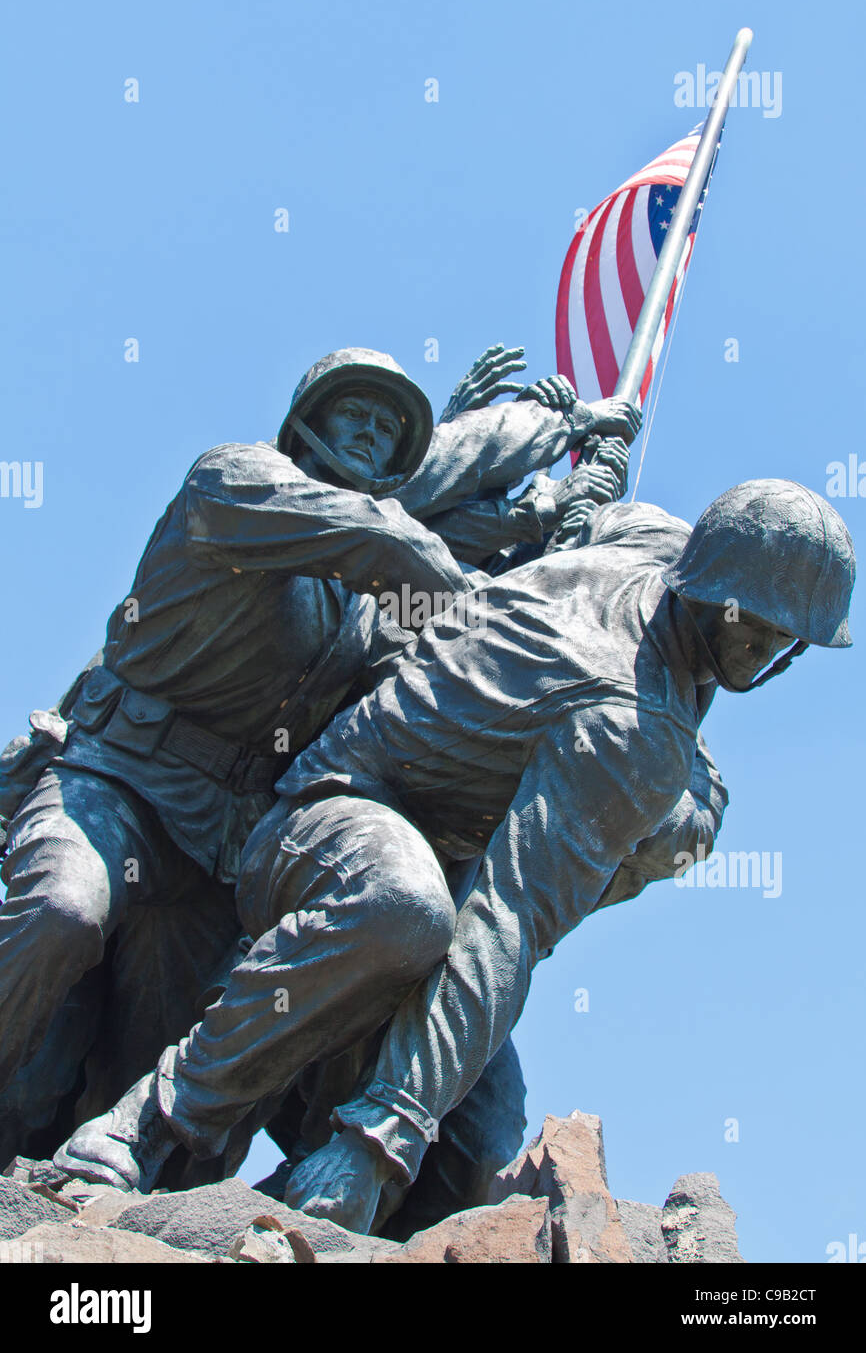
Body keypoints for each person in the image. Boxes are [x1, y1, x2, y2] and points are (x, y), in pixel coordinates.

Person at [56, 478, 854, 1238]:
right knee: (400, 909)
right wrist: (383, 1135)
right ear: (711, 590)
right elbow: (506, 920)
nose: (772, 651)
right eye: (760, 625)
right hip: (329, 817)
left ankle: (267, 1223)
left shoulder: (655, 541)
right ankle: (147, 1126)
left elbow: (598, 518)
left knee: (476, 1145)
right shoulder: (633, 733)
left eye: (790, 638)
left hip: (438, 861)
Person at [0, 343, 637, 1165]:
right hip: (119, 779)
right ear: (306, 421)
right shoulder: (236, 481)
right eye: (356, 414)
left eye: (388, 427)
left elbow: (443, 662)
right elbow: (384, 540)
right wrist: (548, 429)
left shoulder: (362, 611)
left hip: (213, 849)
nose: (372, 434)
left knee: (138, 1059)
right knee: (64, 909)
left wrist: (556, 537)